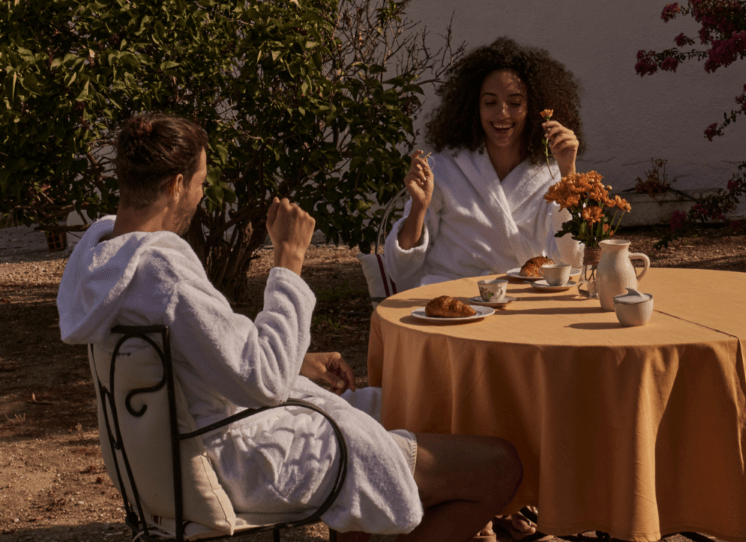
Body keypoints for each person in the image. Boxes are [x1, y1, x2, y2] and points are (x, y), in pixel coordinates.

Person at [56, 113, 522, 542]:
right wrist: (289, 261)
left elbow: (199, 357)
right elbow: (263, 381)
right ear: (177, 185)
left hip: (182, 456)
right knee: (500, 467)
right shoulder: (161, 273)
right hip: (244, 462)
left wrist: (296, 360)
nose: (201, 193)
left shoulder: (105, 266)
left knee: (399, 406)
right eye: (201, 181)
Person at [384, 37, 586, 291]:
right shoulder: (444, 169)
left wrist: (568, 171)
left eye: (515, 103)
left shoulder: (550, 173)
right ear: (473, 108)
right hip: (453, 297)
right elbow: (399, 269)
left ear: (532, 108)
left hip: (521, 300)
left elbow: (573, 261)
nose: (502, 113)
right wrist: (418, 208)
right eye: (490, 102)